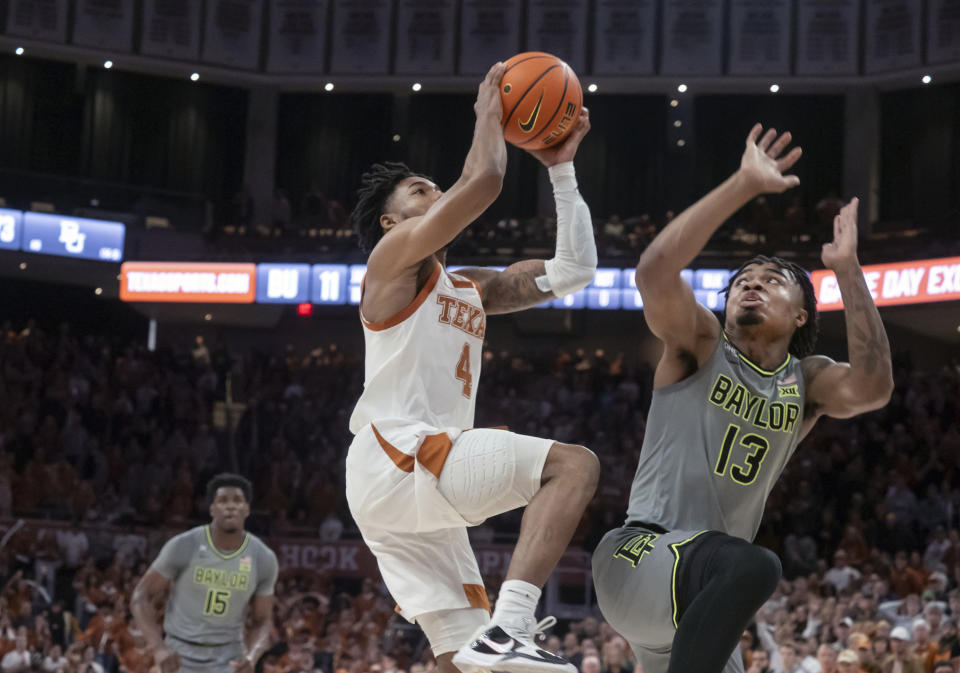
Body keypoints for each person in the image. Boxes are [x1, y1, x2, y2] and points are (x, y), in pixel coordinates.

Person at [591, 124, 894, 673]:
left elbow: (872, 388)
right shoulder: (701, 346)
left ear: (801, 314)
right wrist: (743, 184)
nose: (751, 285)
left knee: (743, 572)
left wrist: (848, 273)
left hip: (699, 596)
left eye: (772, 280)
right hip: (640, 558)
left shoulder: (807, 382)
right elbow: (655, 271)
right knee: (755, 568)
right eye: (742, 281)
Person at [345, 62, 599, 673]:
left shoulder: (468, 286)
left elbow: (574, 272)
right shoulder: (390, 262)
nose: (436, 194)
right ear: (391, 221)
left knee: (460, 659)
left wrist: (560, 167)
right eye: (420, 191)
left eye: (435, 186)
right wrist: (491, 115)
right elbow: (483, 179)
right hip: (399, 454)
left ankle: (495, 637)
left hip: (411, 481)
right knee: (573, 466)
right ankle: (513, 625)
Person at [131, 473, 279, 673]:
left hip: (229, 656)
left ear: (247, 509)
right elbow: (141, 597)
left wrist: (251, 655)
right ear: (212, 509)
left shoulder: (263, 558)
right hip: (179, 652)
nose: (230, 506)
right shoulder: (184, 545)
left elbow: (262, 620)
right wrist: (158, 647)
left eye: (237, 500)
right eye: (223, 500)